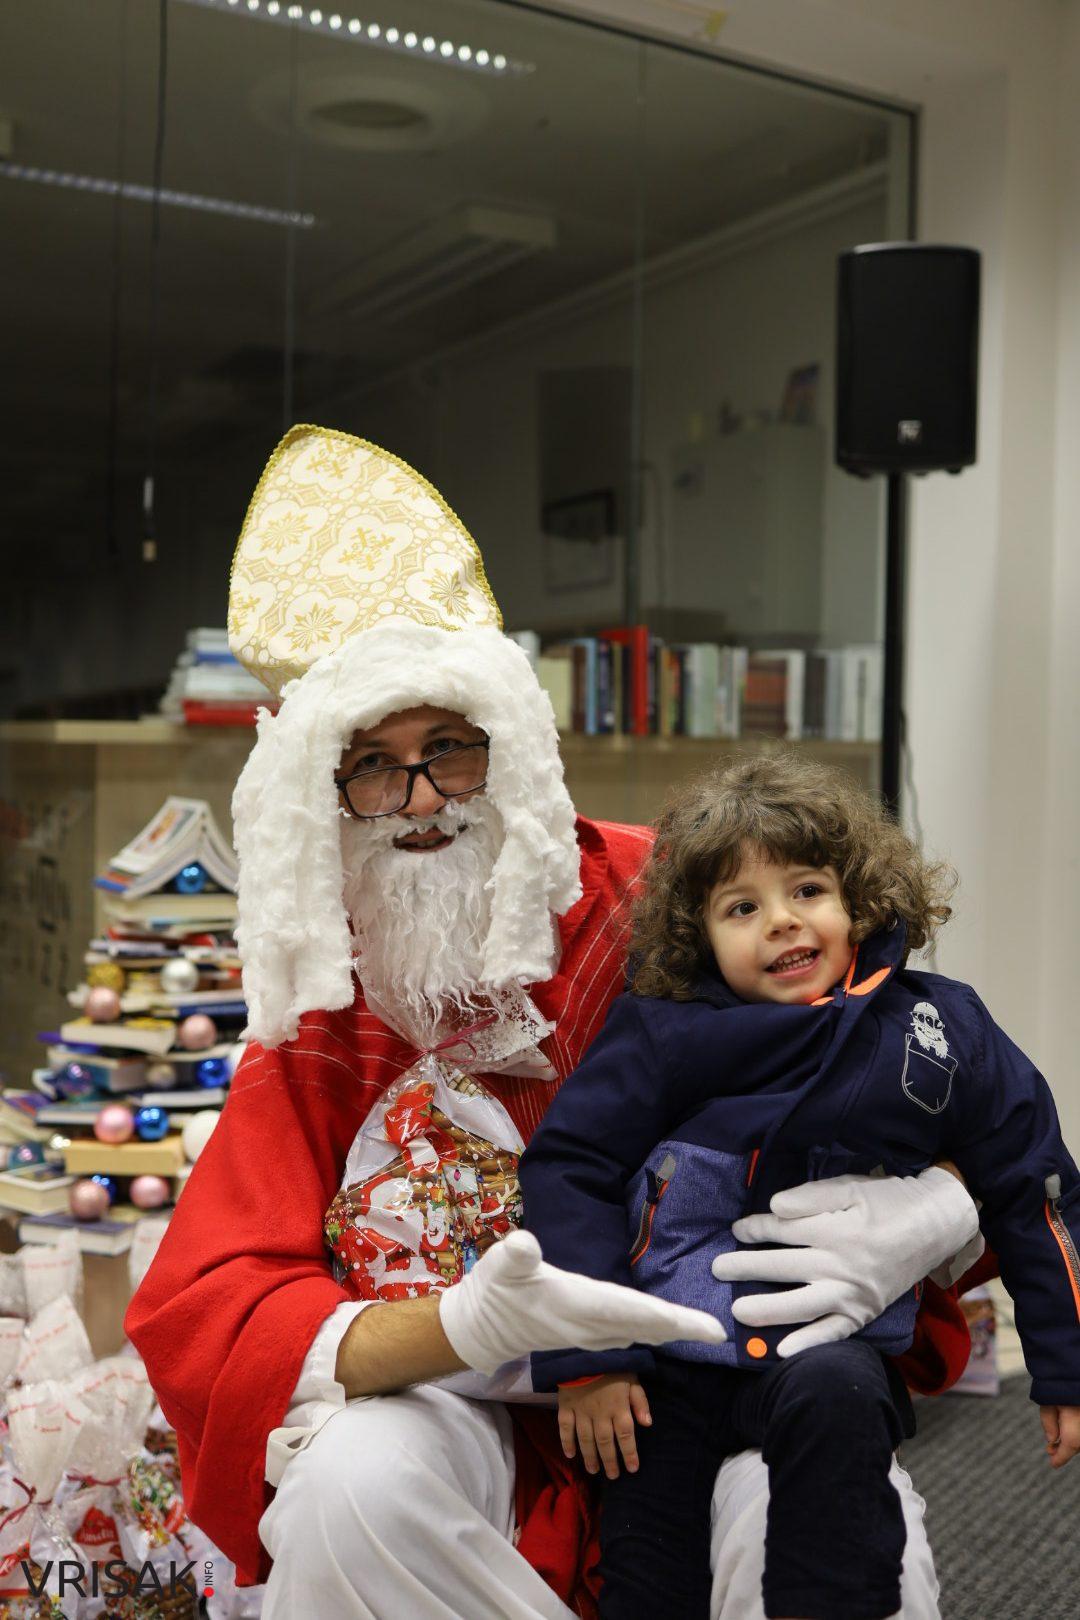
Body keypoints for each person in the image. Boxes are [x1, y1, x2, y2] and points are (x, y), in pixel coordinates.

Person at [126, 425, 982, 1620]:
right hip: (459, 1403)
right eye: (372, 767)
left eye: (449, 752)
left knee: (832, 1539)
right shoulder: (327, 993)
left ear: (512, 747)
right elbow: (212, 1305)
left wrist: (943, 1202)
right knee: (345, 1493)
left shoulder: (684, 900)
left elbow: (934, 1052)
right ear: (324, 795)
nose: (418, 801)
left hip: (714, 1378)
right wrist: (462, 1328)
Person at [520, 753, 1080, 1620]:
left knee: (843, 1464)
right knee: (643, 1571)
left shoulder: (938, 1026)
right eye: (742, 908)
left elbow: (1033, 1179)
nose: (781, 922)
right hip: (666, 1367)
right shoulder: (665, 1033)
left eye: (809, 890)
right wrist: (591, 1359)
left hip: (829, 1358)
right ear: (698, 936)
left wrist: (1066, 1365)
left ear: (859, 897)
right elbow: (569, 1168)